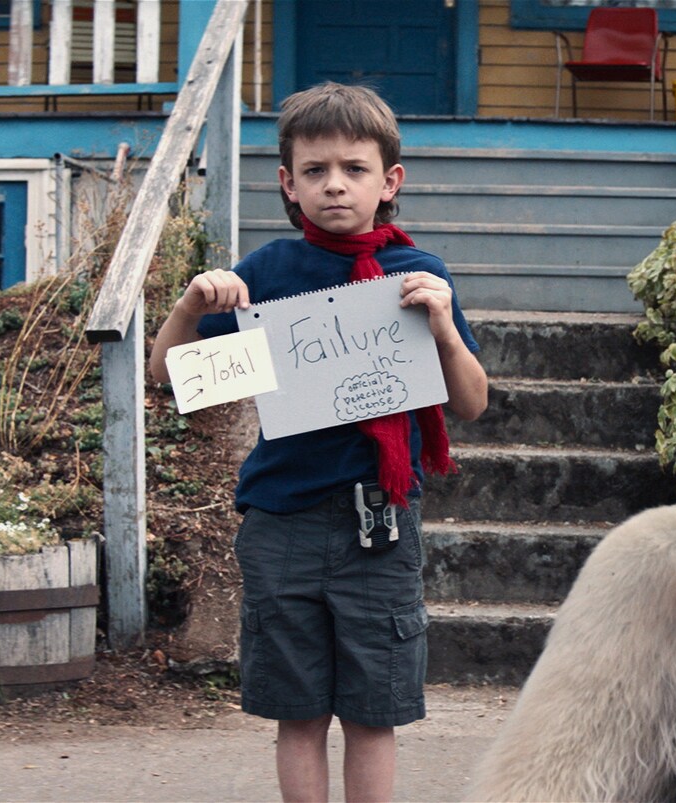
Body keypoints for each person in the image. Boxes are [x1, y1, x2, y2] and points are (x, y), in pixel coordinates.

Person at [149, 82, 488, 803]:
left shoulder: (418, 276)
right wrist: (189, 306)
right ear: (288, 184)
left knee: (374, 713)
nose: (335, 184)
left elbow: (471, 402)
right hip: (283, 525)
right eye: (315, 171)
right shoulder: (266, 274)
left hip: (381, 525)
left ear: (389, 180)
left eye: (355, 169)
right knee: (298, 711)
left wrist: (444, 328)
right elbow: (172, 380)